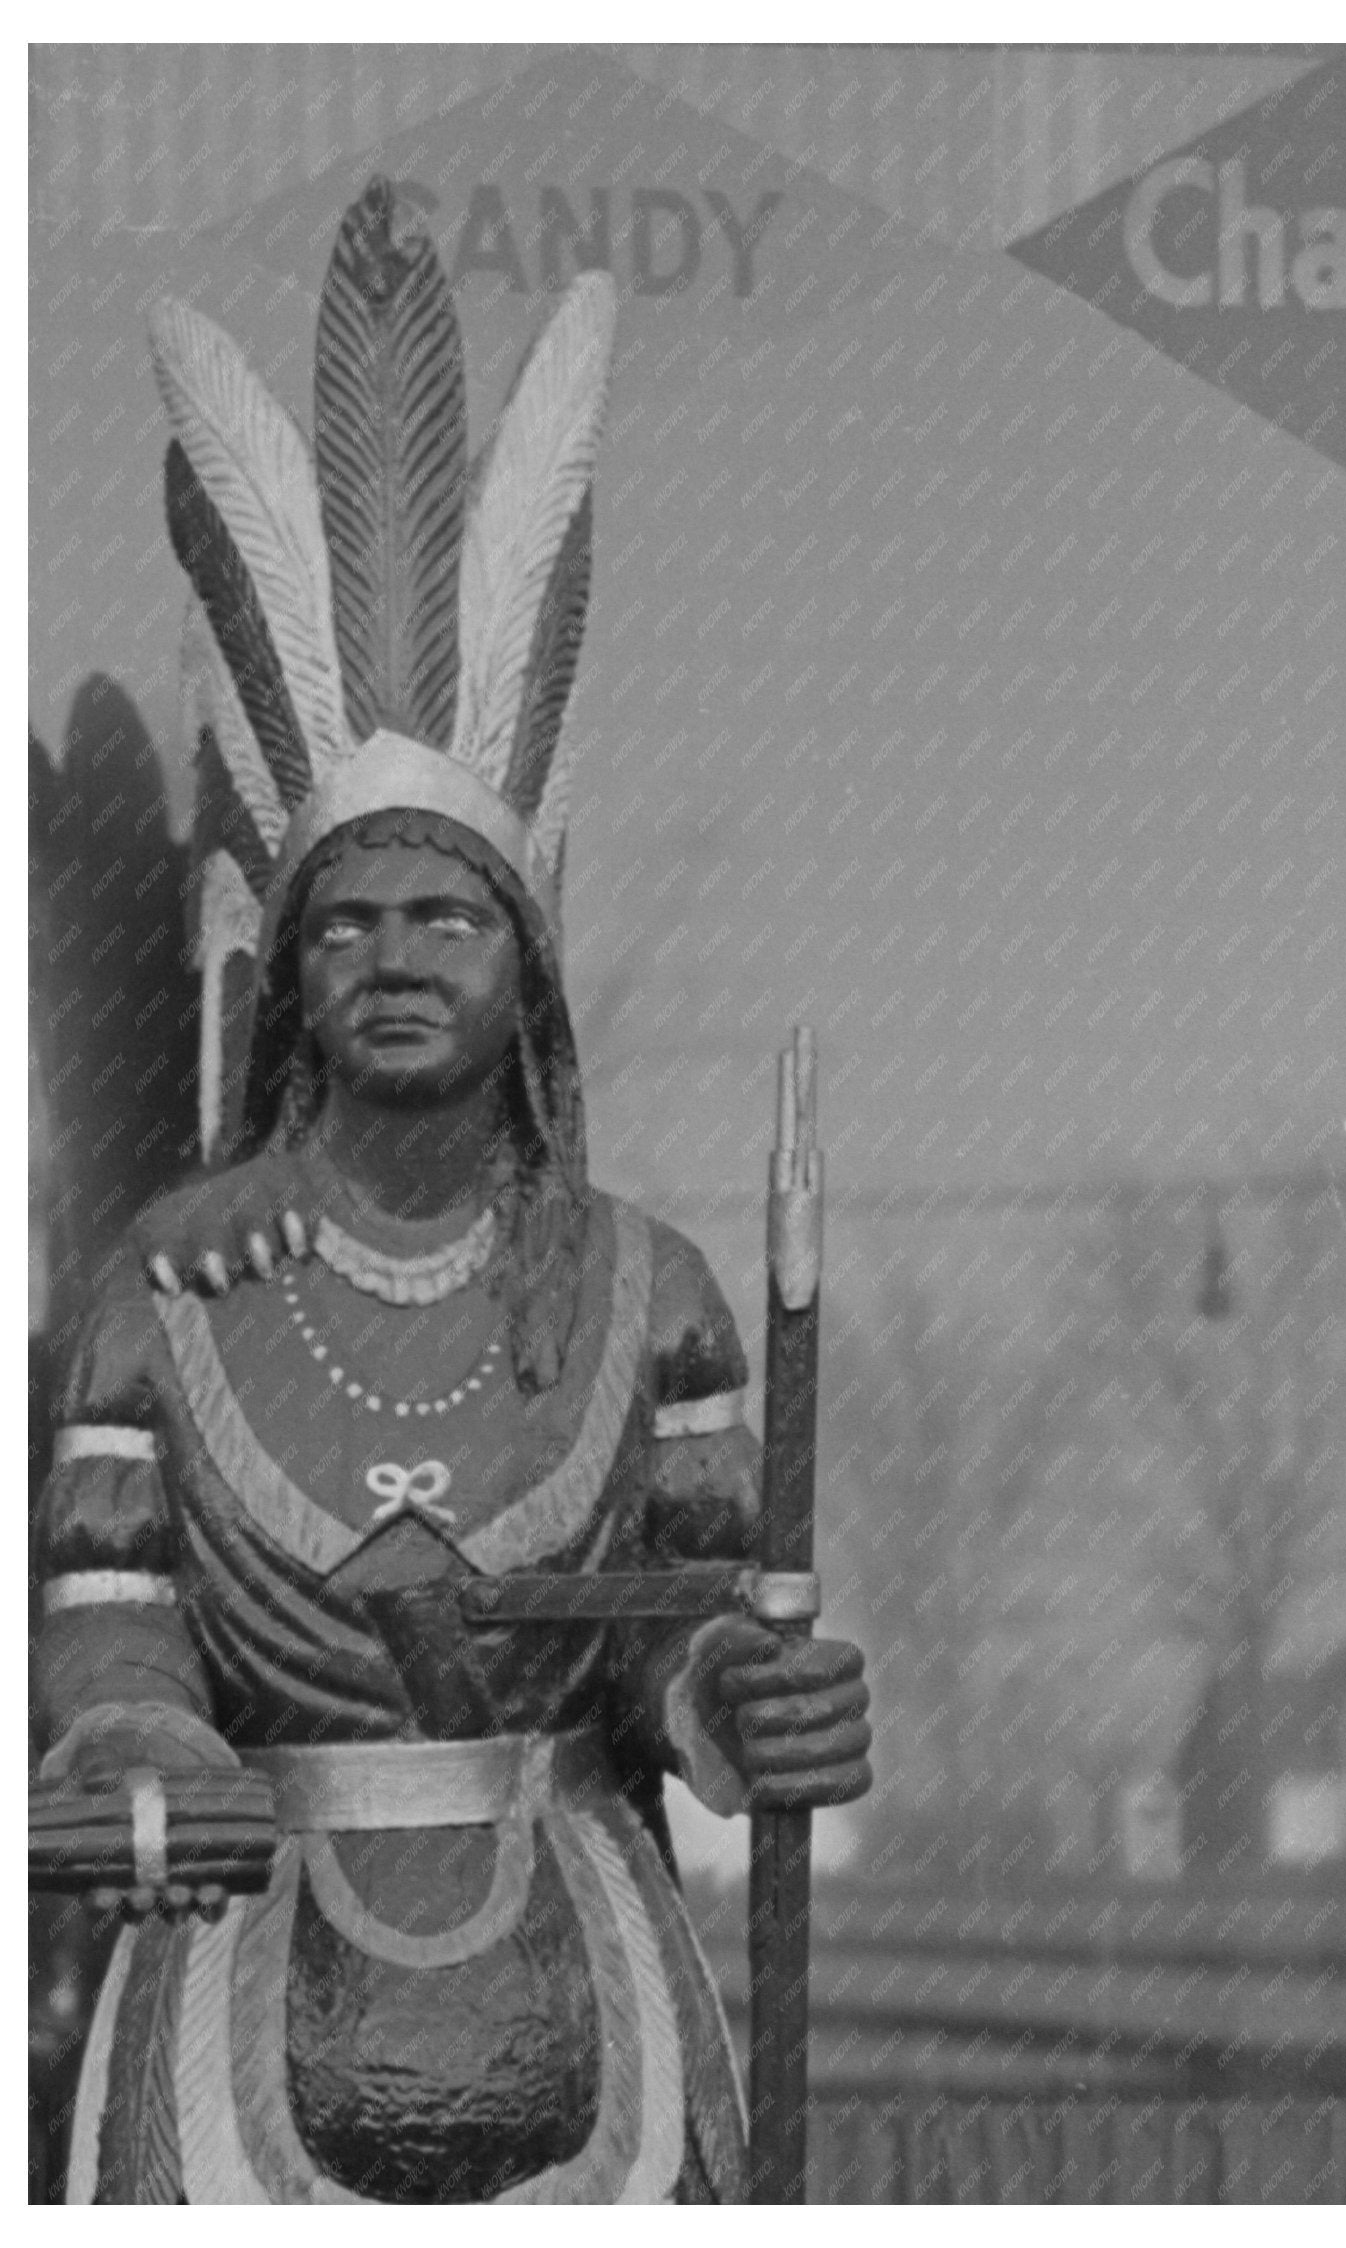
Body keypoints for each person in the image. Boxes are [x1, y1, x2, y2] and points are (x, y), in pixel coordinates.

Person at [31, 177, 870, 2206]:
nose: (397, 955)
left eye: (447, 916)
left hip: (592, 1972)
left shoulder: (647, 1285)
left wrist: (740, 1696)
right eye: (351, 922)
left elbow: (672, 1638)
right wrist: (142, 1756)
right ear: (290, 970)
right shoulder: (170, 1286)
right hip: (238, 1992)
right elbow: (116, 1642)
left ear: (527, 963)